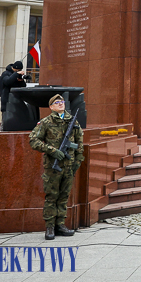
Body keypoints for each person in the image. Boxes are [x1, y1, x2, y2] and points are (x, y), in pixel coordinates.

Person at [29, 95, 84, 240]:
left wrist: (78, 160)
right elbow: (33, 140)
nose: (60, 104)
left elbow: (79, 142)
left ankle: (60, 224)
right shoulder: (46, 122)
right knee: (52, 196)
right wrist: (52, 150)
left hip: (69, 165)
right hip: (52, 167)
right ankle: (50, 227)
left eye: (62, 102)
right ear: (51, 107)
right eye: (56, 102)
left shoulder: (72, 121)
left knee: (64, 196)